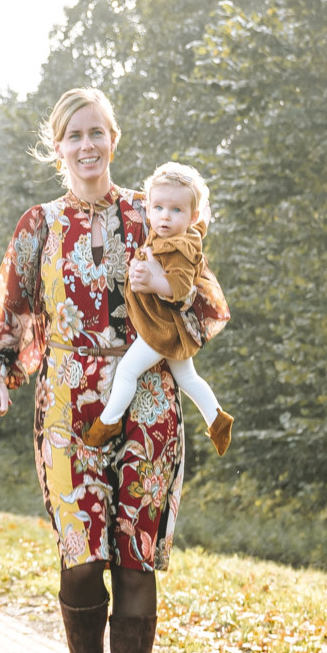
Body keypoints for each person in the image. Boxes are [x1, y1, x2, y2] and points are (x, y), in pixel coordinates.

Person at [0, 89, 228, 653]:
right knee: (83, 554)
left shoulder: (156, 211)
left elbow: (207, 303)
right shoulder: (40, 225)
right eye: (74, 135)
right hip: (67, 407)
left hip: (149, 402)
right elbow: (10, 313)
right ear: (57, 148)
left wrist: (173, 318)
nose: (87, 145)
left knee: (137, 556)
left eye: (97, 133)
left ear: (114, 138)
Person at [84, 160, 234, 455]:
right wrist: (202, 215)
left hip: (160, 328)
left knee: (126, 372)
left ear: (189, 217)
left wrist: (153, 282)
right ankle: (217, 420)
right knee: (187, 378)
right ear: (149, 208)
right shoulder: (179, 233)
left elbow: (179, 288)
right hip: (169, 327)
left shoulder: (178, 248)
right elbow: (198, 227)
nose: (165, 217)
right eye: (158, 208)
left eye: (176, 210)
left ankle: (107, 423)